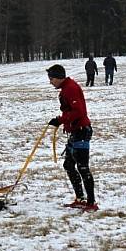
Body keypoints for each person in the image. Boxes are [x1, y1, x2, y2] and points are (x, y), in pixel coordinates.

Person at [46, 64, 98, 212]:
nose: (50, 82)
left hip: (81, 131)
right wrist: (62, 121)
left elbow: (79, 112)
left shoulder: (71, 88)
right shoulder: (66, 88)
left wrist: (61, 120)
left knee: (82, 167)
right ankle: (80, 198)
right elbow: (71, 111)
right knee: (69, 165)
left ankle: (91, 202)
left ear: (58, 77)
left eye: (51, 79)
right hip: (75, 132)